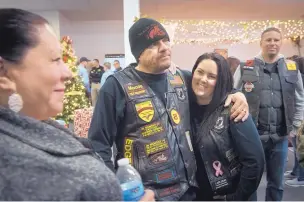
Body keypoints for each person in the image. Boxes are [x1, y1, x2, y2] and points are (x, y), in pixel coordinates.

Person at [0, 8, 154, 201]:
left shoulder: (35, 127)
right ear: (4, 72)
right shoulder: (13, 167)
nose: (69, 73)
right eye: (55, 60)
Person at [89, 18, 249, 201]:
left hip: (190, 190)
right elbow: (98, 144)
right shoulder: (116, 87)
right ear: (139, 53)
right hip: (148, 195)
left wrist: (236, 93)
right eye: (154, 44)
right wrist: (113, 193)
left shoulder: (180, 78)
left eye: (166, 41)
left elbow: (215, 85)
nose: (165, 47)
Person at [234, 27, 304, 201]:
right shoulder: (245, 67)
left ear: (281, 43)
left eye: (276, 40)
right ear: (261, 43)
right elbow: (233, 94)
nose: (272, 43)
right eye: (268, 40)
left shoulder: (292, 68)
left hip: (280, 137)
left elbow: (300, 98)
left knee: (277, 183)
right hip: (252, 136)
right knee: (249, 182)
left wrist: (295, 127)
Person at [190, 53, 264, 201]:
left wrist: (236, 198)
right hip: (198, 195)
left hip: (228, 195)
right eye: (200, 72)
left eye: (211, 76)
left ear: (220, 81)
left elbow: (254, 162)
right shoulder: (184, 106)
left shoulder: (233, 109)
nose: (203, 79)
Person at [285, 56, 304, 187]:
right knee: (297, 147)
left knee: (300, 148)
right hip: (298, 117)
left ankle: (301, 177)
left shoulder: (299, 77)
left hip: (300, 118)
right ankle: (296, 172)